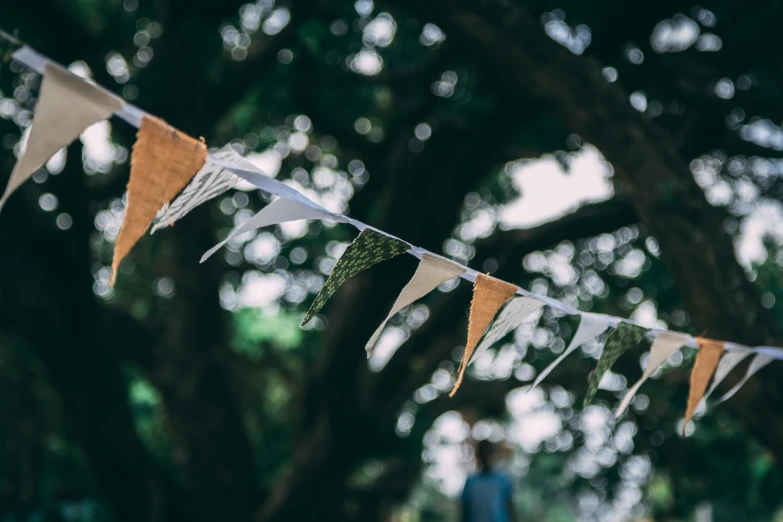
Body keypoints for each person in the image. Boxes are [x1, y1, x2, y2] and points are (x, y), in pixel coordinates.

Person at [460, 440, 517, 522]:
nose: (485, 455)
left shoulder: (503, 480)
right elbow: (464, 512)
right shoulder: (470, 482)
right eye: (483, 452)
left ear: (493, 454)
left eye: (488, 452)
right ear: (478, 455)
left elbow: (510, 508)